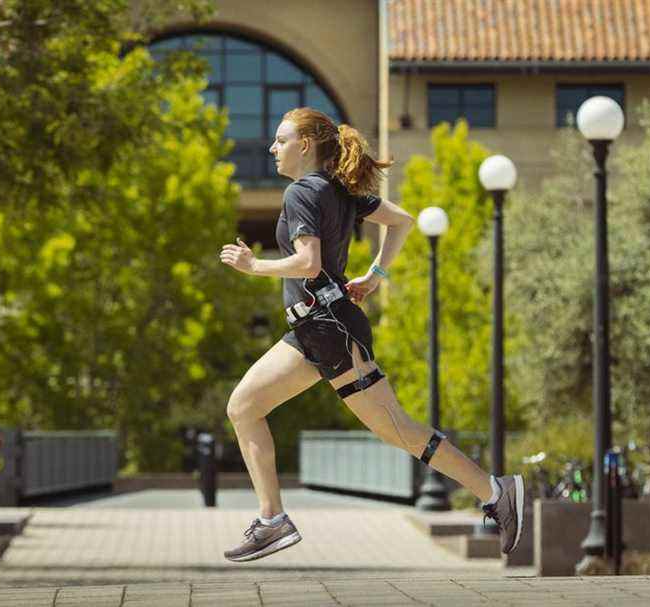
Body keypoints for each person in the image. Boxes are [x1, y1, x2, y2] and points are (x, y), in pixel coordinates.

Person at [218, 107, 524, 563]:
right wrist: (375, 275)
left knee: (398, 429)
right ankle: (272, 520)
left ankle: (495, 491)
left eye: (280, 140)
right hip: (313, 330)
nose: (272, 148)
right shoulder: (337, 189)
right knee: (243, 406)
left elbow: (309, 263)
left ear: (304, 145)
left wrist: (254, 266)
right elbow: (401, 220)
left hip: (331, 330)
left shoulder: (303, 191)